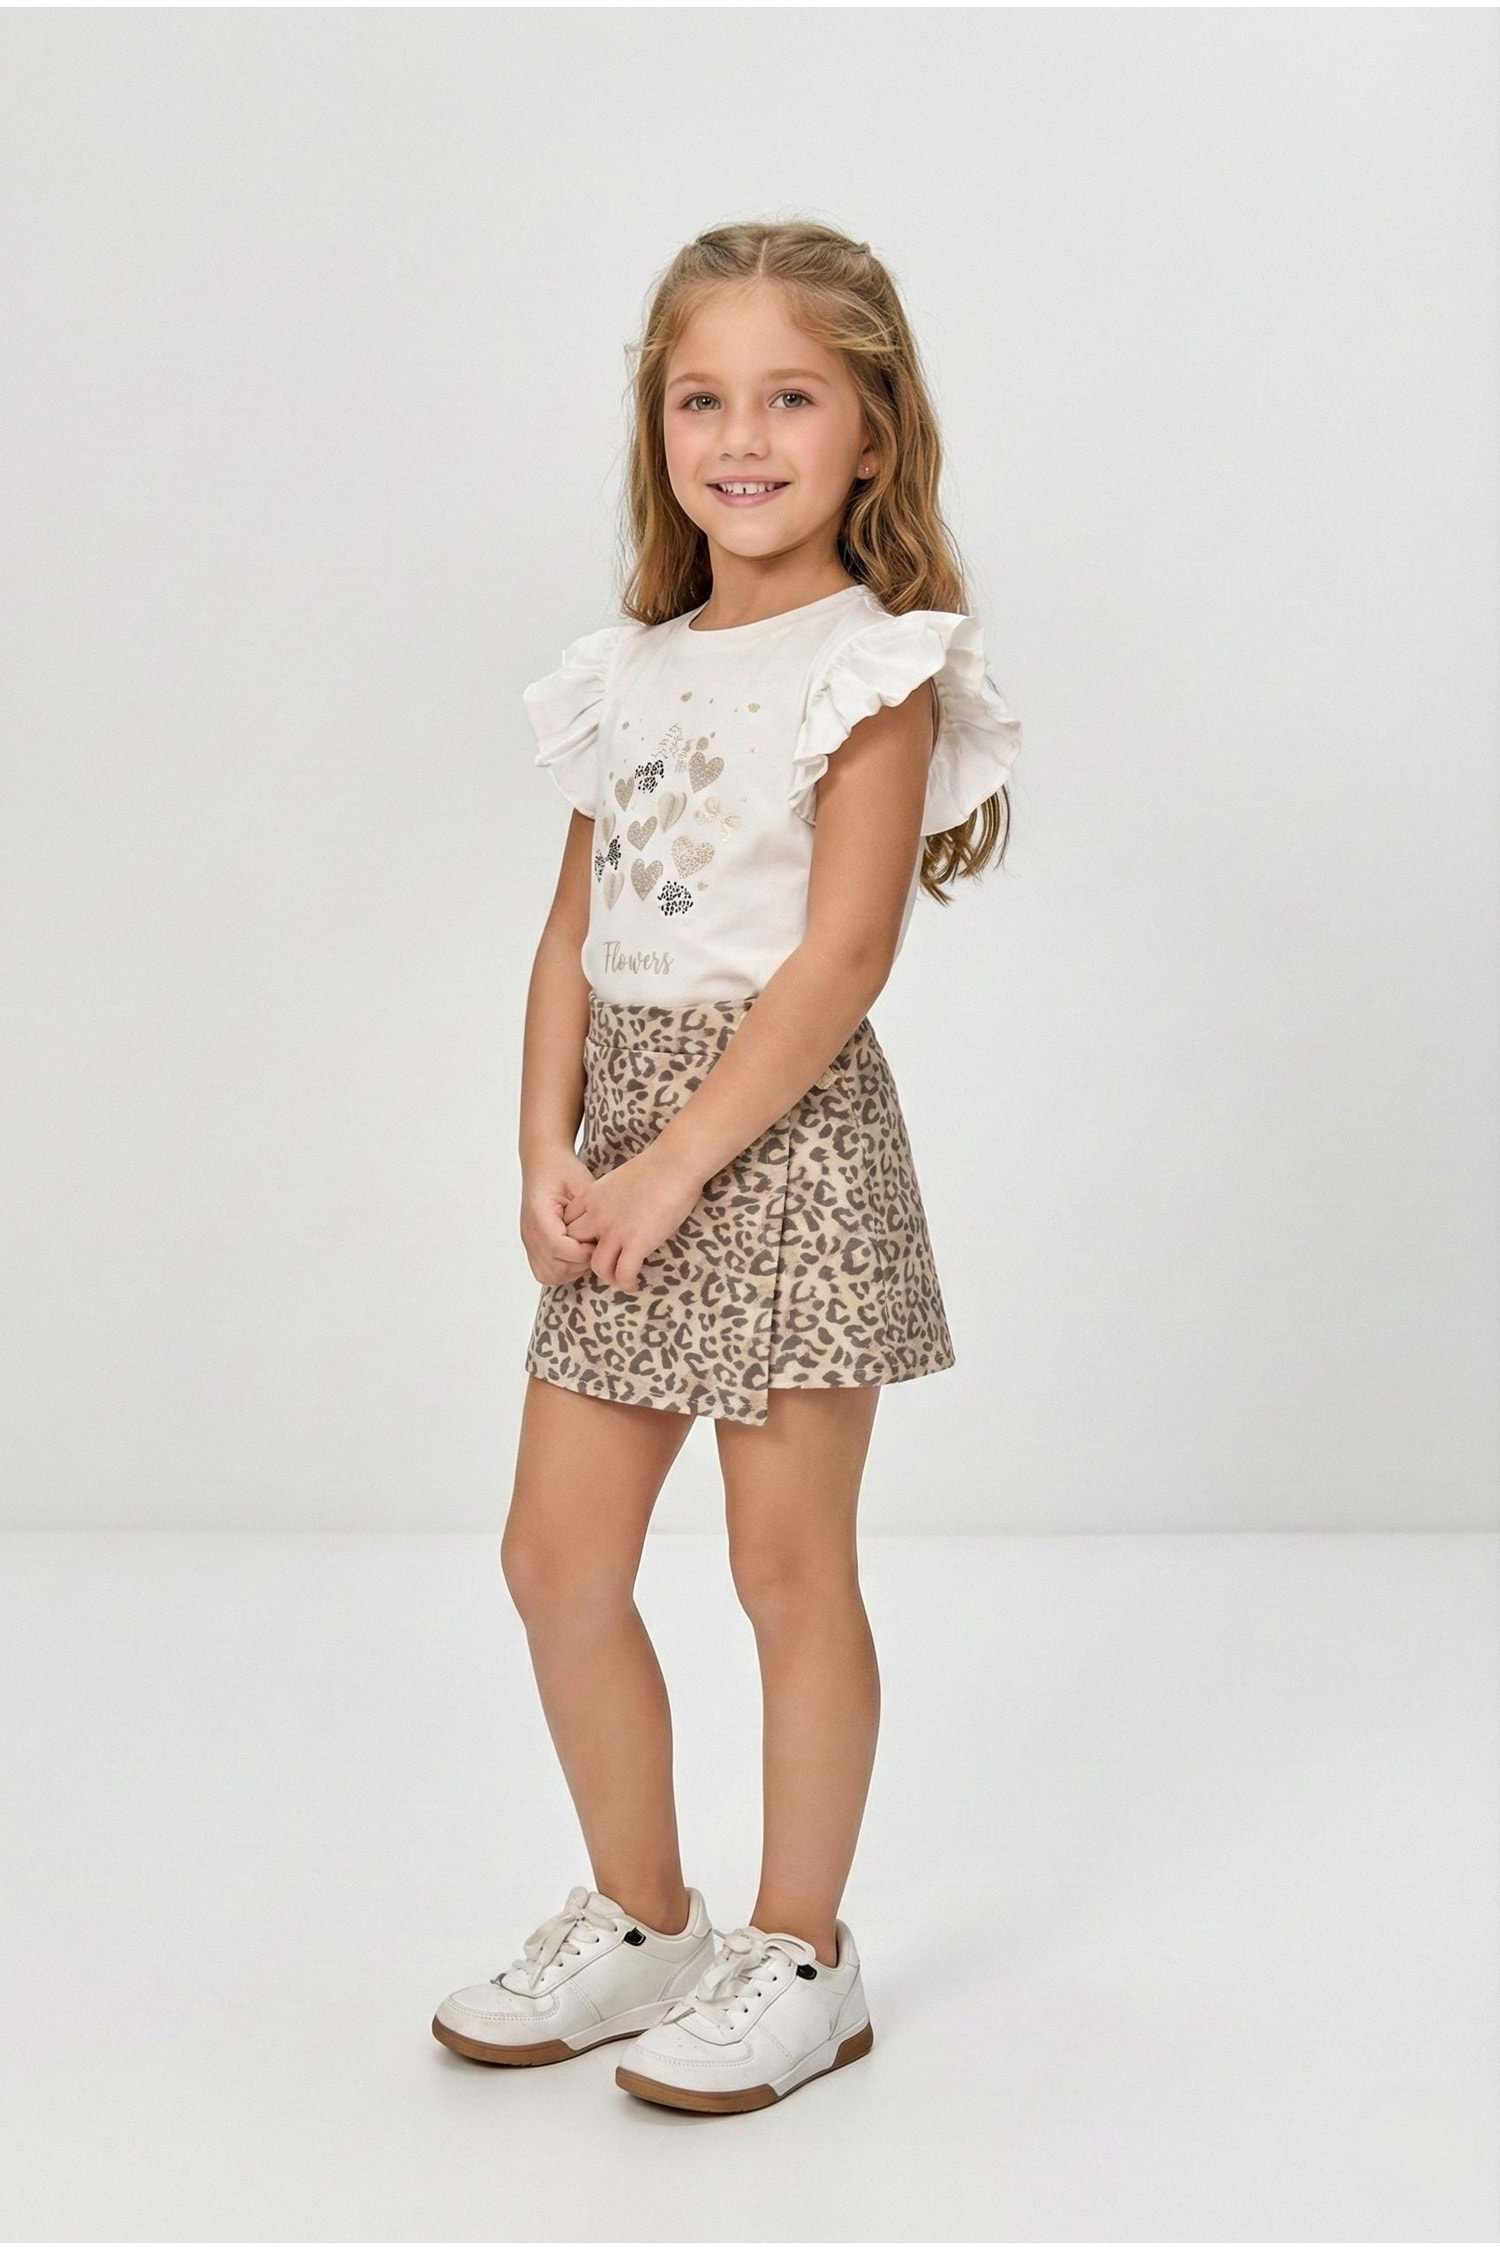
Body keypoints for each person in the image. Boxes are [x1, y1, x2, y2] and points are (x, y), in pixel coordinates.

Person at [432, 219, 1023, 2116]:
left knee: (786, 1566)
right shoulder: (628, 671)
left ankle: (802, 1954)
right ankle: (642, 1916)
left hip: (782, 1145)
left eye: (790, 398)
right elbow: (570, 931)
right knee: (554, 1556)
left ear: (872, 432)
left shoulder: (872, 668)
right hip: (628, 1152)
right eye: (703, 399)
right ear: (658, 428)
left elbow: (841, 959)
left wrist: (682, 1160)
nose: (743, 437)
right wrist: (549, 1143)